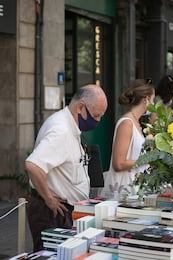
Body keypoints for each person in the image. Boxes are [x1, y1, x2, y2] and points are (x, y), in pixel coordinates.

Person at [25, 84, 108, 252]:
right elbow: (33, 165)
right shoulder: (61, 130)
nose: (98, 121)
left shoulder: (67, 124)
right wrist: (49, 199)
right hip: (51, 212)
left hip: (60, 210)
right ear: (80, 107)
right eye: (96, 115)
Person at [101, 79, 155, 198]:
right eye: (153, 100)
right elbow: (119, 163)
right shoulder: (127, 123)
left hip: (135, 189)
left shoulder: (136, 122)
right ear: (145, 99)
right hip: (123, 191)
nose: (154, 104)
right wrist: (149, 159)